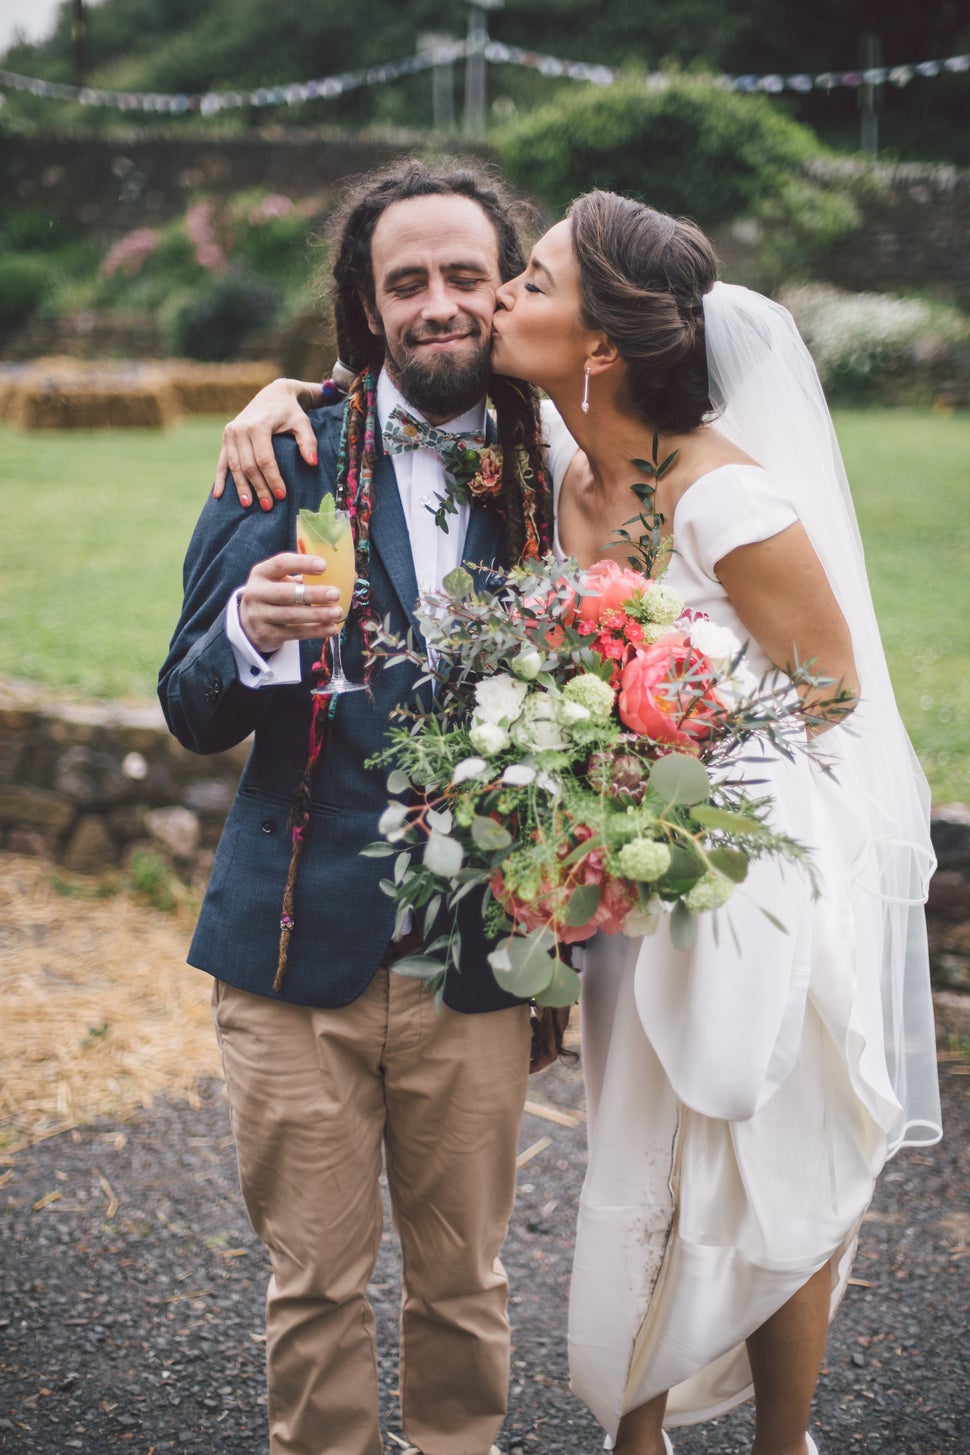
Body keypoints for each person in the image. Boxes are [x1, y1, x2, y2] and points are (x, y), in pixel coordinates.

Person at [221, 190, 941, 1455]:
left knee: (762, 1154)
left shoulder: (728, 501)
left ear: (597, 341)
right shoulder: (553, 462)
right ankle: (638, 1431)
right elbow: (391, 384)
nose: (492, 302)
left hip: (743, 867)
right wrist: (287, 392)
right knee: (638, 1157)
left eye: (524, 281)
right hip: (627, 876)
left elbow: (831, 697)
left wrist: (669, 753)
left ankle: (782, 1441)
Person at [158, 156, 557, 1455]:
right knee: (314, 1294)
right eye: (406, 282)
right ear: (367, 302)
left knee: (464, 1291)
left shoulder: (559, 468)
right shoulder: (287, 446)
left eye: (462, 276)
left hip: (477, 962)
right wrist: (246, 628)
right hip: (288, 951)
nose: (437, 302)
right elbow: (188, 701)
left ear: (506, 290)